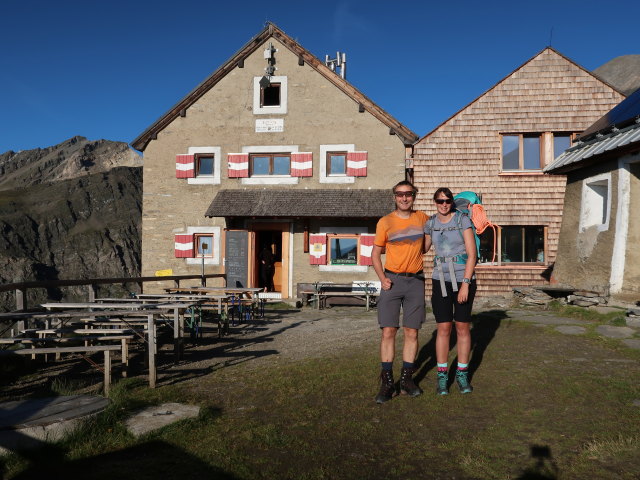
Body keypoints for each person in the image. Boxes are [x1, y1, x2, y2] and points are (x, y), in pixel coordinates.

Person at [372, 180, 428, 403]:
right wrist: (382, 278)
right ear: (394, 196)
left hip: (415, 282)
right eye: (400, 194)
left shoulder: (422, 218)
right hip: (392, 281)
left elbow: (427, 243)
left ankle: (406, 380)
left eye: (408, 194)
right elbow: (375, 255)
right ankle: (387, 383)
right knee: (388, 332)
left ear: (414, 196)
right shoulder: (385, 222)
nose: (404, 198)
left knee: (412, 332)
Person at [424, 187, 477, 395]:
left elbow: (472, 254)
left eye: (447, 201)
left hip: (463, 279)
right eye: (439, 201)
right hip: (440, 280)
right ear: (435, 202)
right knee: (444, 328)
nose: (444, 204)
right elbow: (423, 247)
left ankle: (462, 374)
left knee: (462, 327)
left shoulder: (461, 220)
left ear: (452, 202)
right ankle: (442, 376)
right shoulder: (430, 223)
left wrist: (466, 283)